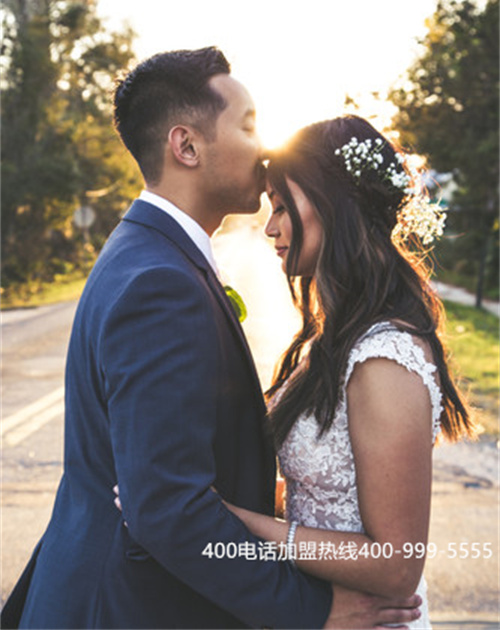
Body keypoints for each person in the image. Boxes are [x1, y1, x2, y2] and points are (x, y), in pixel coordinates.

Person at [2, 50, 421, 630]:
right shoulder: (160, 282)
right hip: (126, 609)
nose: (263, 145)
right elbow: (170, 509)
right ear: (187, 146)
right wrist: (314, 612)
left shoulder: (148, 254)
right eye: (248, 125)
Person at [218, 115, 475, 629]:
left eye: (281, 203)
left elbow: (398, 564)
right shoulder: (331, 338)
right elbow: (314, 494)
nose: (271, 226)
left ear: (334, 202)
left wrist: (233, 523)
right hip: (319, 611)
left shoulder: (384, 358)